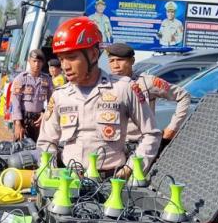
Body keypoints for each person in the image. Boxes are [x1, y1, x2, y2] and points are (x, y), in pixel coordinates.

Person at [37, 17, 161, 175]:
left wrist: (131, 168)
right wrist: (49, 172)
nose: (65, 66)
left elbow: (152, 133)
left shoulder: (123, 88)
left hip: (111, 182)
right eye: (61, 59)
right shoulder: (60, 96)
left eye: (72, 57)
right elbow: (46, 141)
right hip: (70, 180)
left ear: (94, 55)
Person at [106, 42, 191, 147]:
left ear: (132, 61)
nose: (115, 66)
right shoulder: (104, 85)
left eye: (120, 60)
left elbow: (183, 96)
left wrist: (172, 128)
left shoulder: (147, 83)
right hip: (112, 147)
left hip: (141, 146)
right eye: (111, 61)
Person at [11, 48, 54, 141]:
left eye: (39, 61)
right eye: (34, 61)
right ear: (29, 61)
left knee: (38, 147)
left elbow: (52, 101)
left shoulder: (47, 80)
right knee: (20, 147)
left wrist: (46, 113)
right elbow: (15, 103)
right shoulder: (21, 79)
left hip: (39, 119)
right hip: (23, 118)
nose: (37, 64)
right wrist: (18, 123)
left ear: (43, 63)